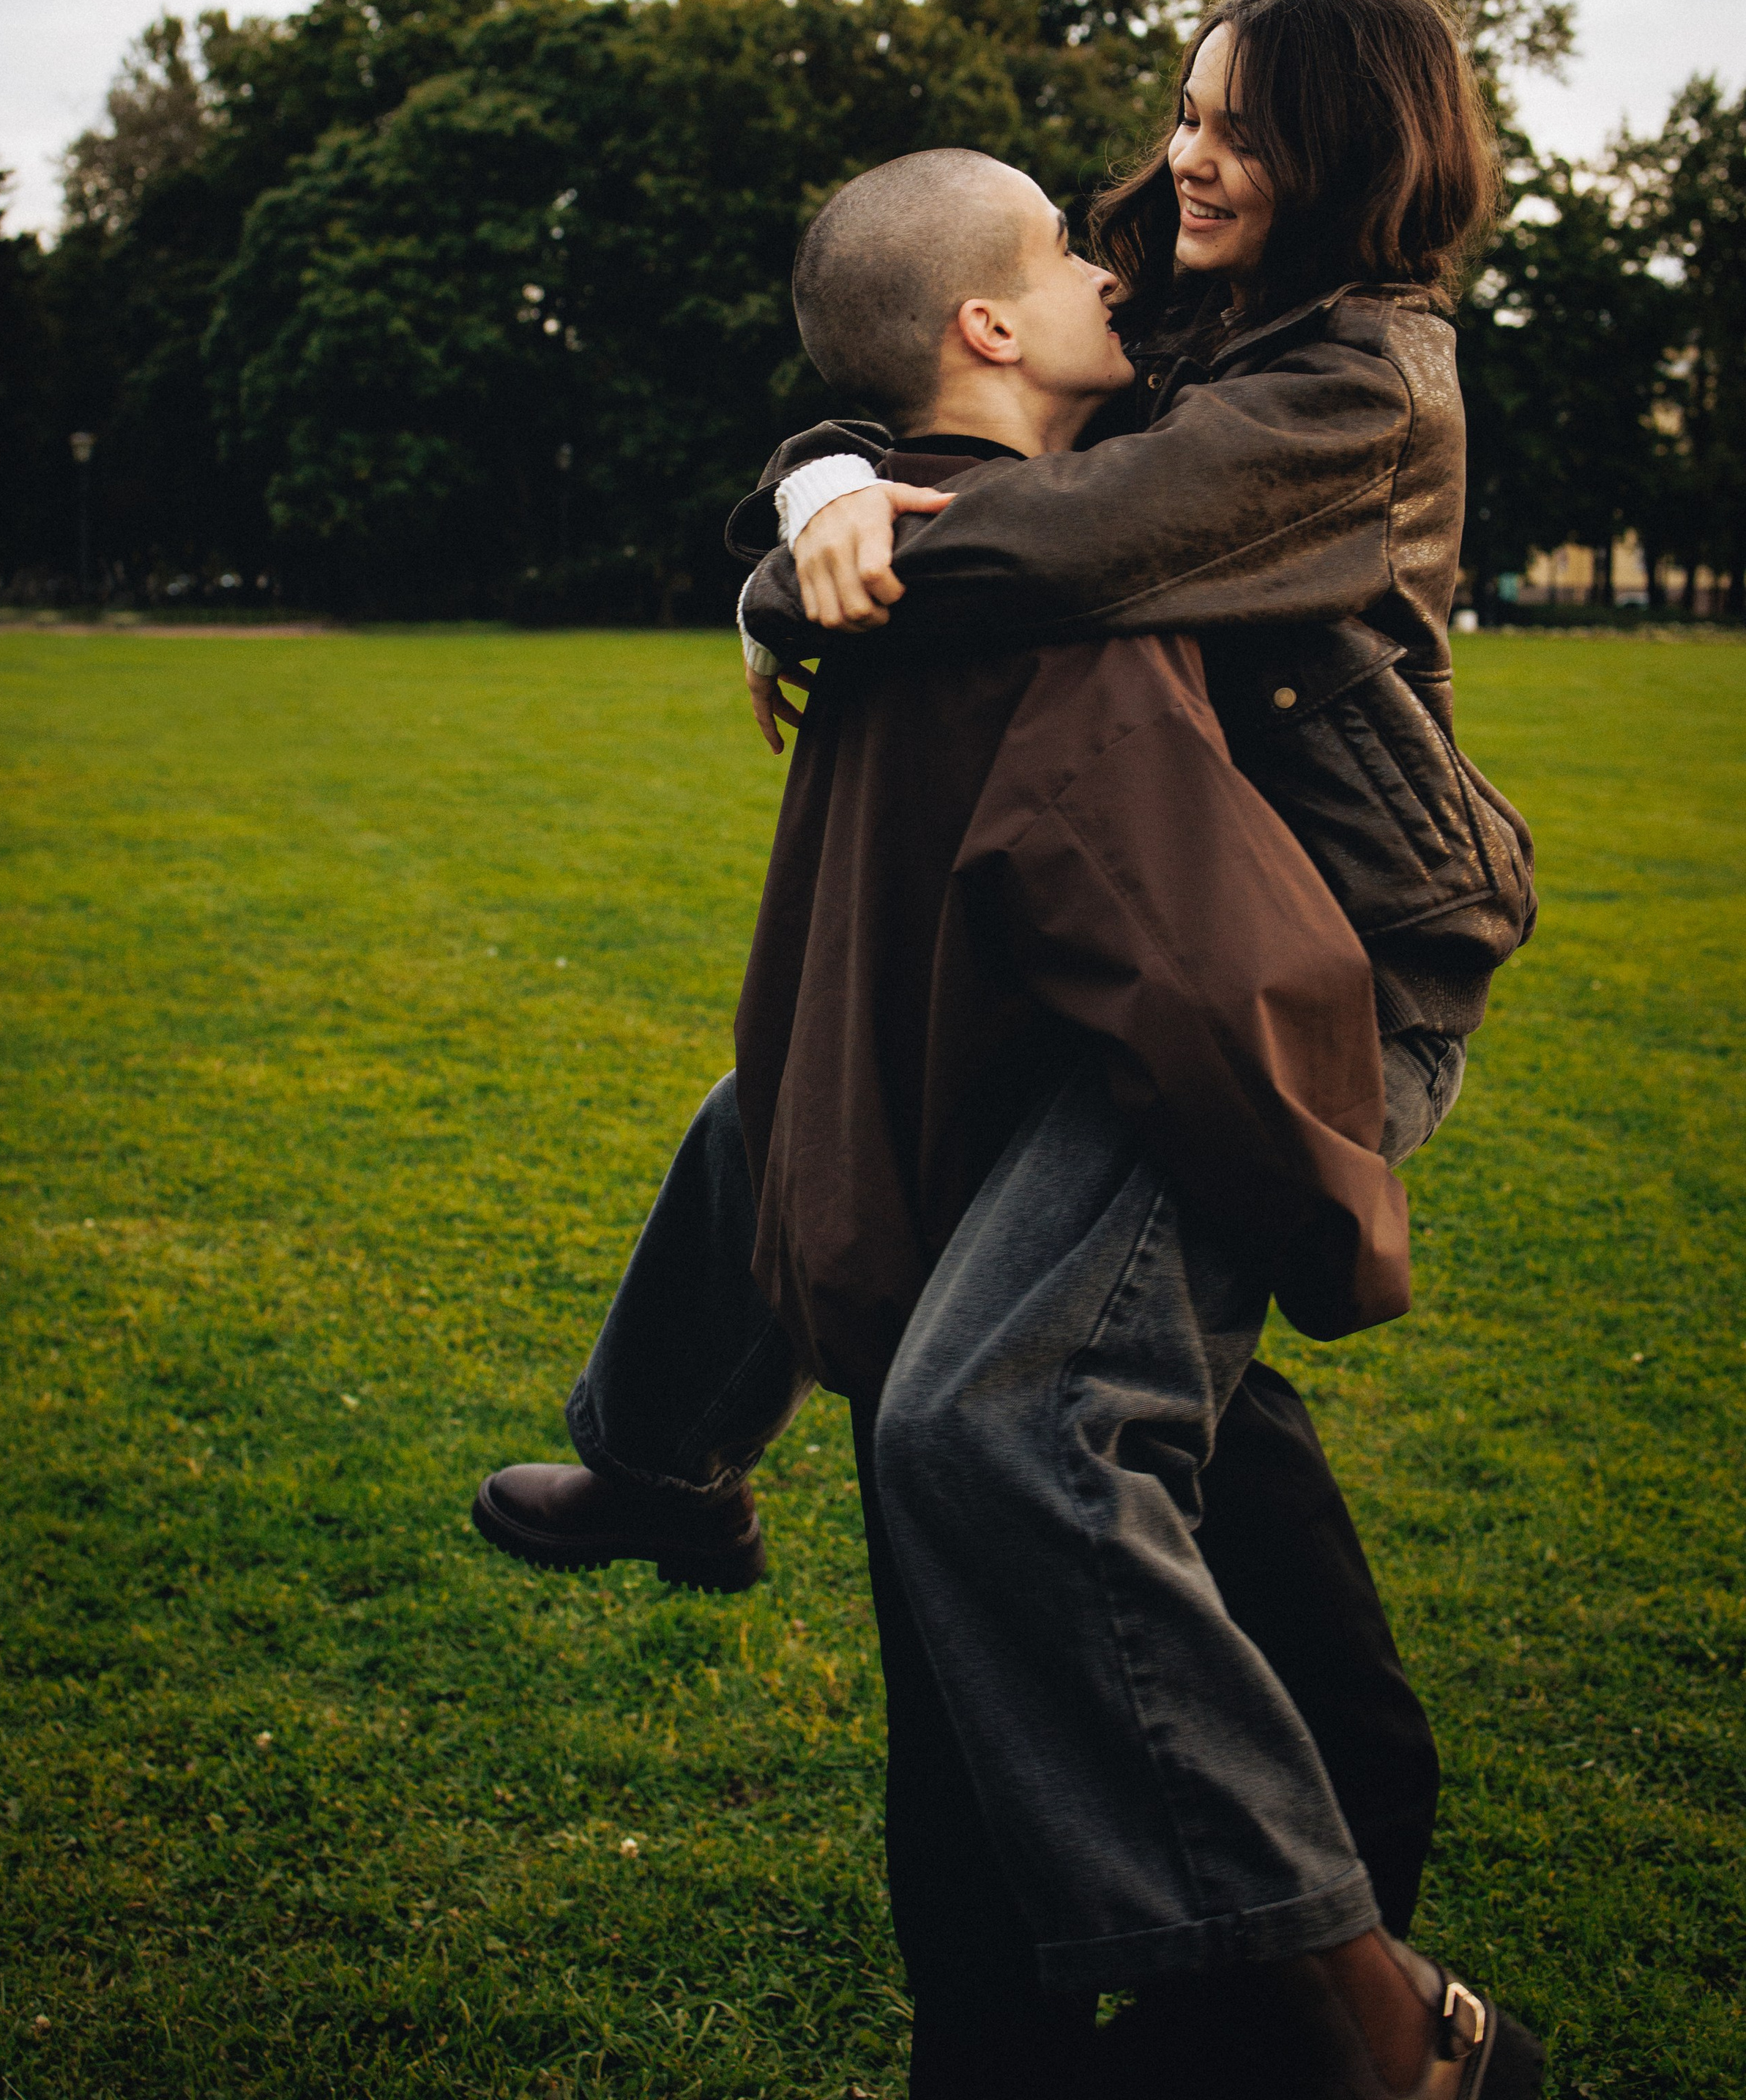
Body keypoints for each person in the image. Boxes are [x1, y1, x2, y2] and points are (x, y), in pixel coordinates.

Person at [480, 126, 1537, 2088]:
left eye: (1230, 119)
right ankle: (1319, 2020)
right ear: (997, 322)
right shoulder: (1098, 400)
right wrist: (814, 504)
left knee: (1035, 1460)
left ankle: (1328, 2009)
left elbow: (1160, 858)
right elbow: (902, 396)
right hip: (1040, 1093)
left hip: (1316, 989)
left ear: (1339, 147)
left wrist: (835, 543)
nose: (1153, 192)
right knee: (886, 1302)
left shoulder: (1327, 392)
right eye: (1078, 246)